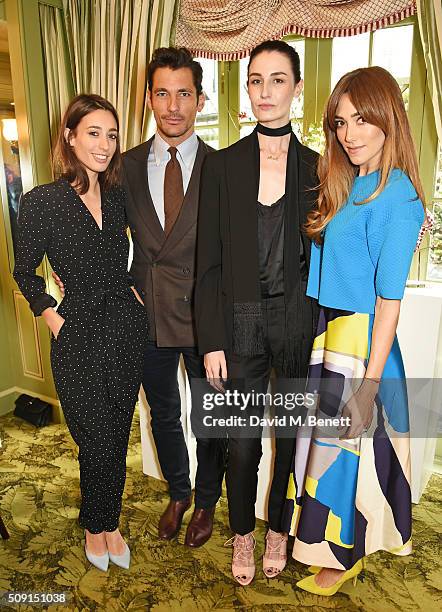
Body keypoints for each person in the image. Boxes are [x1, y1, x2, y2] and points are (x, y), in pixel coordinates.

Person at [281, 66, 425, 596]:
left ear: (389, 118)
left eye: (362, 120)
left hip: (363, 342)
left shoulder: (398, 196)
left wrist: (368, 385)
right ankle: (334, 545)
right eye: (341, 123)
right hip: (332, 333)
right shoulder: (353, 182)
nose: (350, 134)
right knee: (327, 452)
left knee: (349, 453)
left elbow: (390, 301)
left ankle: (347, 556)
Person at [195, 40, 320, 585]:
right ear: (247, 89)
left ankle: (279, 528)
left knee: (289, 440)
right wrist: (211, 341)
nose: (265, 91)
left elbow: (342, 242)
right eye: (256, 80)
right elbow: (208, 264)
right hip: (239, 323)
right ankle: (243, 533)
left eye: (277, 79)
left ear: (296, 87)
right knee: (242, 444)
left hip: (295, 322)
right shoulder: (222, 165)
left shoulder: (320, 167)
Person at [13, 94, 149, 572]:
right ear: (69, 137)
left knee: (114, 436)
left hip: (125, 328)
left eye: (112, 135)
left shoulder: (119, 194)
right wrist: (52, 316)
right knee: (92, 437)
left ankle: (108, 523)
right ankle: (96, 524)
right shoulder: (42, 202)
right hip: (76, 334)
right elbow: (23, 271)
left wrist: (138, 291)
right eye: (93, 132)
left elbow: (147, 248)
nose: (105, 144)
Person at [122, 47, 226, 547]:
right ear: (148, 99)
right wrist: (124, 284)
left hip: (206, 320)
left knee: (209, 418)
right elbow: (99, 239)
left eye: (184, 93)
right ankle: (179, 492)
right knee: (163, 413)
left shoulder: (224, 167)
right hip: (149, 318)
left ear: (200, 99)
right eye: (162, 93)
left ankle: (206, 502)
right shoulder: (122, 166)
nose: (173, 105)